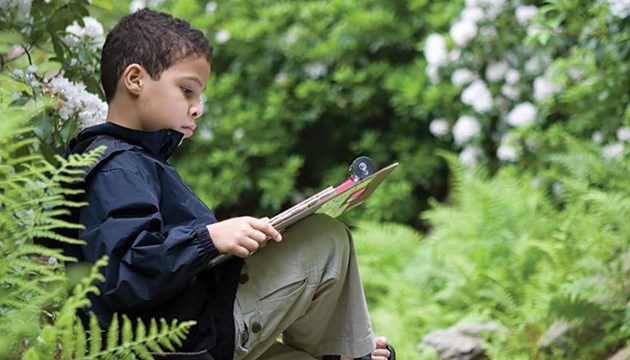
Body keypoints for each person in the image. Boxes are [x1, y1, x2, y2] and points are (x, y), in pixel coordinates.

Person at [67, 8, 395, 360]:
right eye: (187, 91)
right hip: (183, 340)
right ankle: (347, 352)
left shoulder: (135, 162)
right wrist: (208, 239)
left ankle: (344, 351)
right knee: (326, 237)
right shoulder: (117, 167)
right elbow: (125, 274)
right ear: (135, 79)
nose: (197, 108)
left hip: (192, 336)